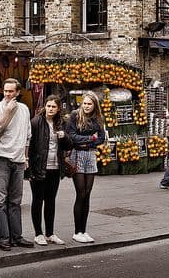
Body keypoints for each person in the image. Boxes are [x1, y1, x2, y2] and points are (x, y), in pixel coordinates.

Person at [0, 78, 34, 250]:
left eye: (11, 91)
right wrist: (7, 111)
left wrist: (26, 157)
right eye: (5, 91)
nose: (7, 94)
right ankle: (4, 239)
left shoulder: (24, 109)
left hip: (19, 160)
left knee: (15, 201)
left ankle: (17, 236)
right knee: (0, 200)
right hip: (0, 159)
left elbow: (28, 135)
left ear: (18, 92)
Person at [28, 94, 71, 246]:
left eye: (54, 107)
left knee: (51, 201)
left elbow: (69, 145)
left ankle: (50, 233)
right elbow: (30, 147)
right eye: (48, 106)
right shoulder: (36, 122)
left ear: (58, 108)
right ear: (44, 106)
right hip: (39, 167)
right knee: (37, 200)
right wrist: (30, 170)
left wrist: (64, 136)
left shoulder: (61, 123)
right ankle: (38, 233)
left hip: (55, 167)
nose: (51, 109)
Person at [65, 91, 105, 243]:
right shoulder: (75, 115)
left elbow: (101, 138)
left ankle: (84, 230)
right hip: (77, 155)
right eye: (85, 103)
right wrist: (89, 138)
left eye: (90, 104)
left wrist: (88, 142)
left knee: (87, 193)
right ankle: (77, 231)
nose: (87, 106)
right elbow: (71, 136)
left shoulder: (98, 118)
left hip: (91, 156)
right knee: (80, 193)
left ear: (94, 105)